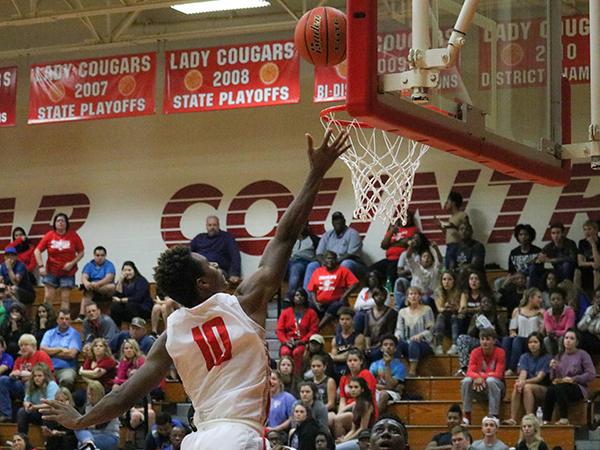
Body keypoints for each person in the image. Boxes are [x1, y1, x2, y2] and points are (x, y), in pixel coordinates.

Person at [38, 129, 350, 450]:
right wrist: (316, 173)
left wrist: (79, 420)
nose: (217, 266)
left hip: (198, 440)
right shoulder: (244, 303)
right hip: (238, 435)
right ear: (202, 284)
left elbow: (125, 393)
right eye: (210, 265)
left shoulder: (170, 333)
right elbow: (284, 238)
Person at [542, 328, 596, 425]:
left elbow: (591, 374)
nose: (568, 340)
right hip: (562, 386)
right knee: (550, 389)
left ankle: (564, 418)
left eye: (572, 338)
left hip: (578, 387)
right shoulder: (559, 355)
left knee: (560, 387)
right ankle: (546, 420)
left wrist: (574, 379)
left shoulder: (583, 354)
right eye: (566, 338)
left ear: (577, 342)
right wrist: (553, 369)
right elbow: (553, 378)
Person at [34, 213, 85, 311]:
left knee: (65, 298)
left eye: (63, 221)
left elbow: (81, 252)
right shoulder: (49, 235)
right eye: (58, 220)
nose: (60, 223)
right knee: (48, 297)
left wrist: (72, 263)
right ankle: (47, 322)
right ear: (54, 223)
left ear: (66, 223)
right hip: (51, 271)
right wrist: (41, 266)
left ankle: (64, 322)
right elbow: (37, 251)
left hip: (68, 272)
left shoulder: (73, 235)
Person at [304, 211, 365, 288]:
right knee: (312, 265)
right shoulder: (327, 235)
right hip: (330, 263)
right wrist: (324, 262)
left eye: (339, 219)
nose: (337, 222)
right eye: (335, 220)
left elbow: (351, 254)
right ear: (332, 222)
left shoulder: (353, 233)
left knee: (346, 264)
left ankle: (338, 294)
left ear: (344, 221)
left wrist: (333, 263)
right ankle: (307, 296)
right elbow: (319, 253)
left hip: (353, 264)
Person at [0, 334, 53, 422]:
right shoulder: (19, 359)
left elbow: (48, 375)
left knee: (29, 383)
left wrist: (29, 375)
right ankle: (6, 415)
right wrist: (13, 375)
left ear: (33, 346)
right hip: (22, 387)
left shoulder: (41, 355)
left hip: (39, 388)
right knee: (3, 380)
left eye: (26, 345)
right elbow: (14, 374)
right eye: (21, 345)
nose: (23, 348)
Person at [504, 331, 551, 426]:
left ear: (541, 344)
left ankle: (529, 418)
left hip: (543, 388)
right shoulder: (524, 357)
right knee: (518, 386)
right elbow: (523, 373)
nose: (532, 345)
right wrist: (520, 382)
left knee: (527, 387)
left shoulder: (547, 357)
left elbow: (539, 378)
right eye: (530, 342)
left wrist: (524, 382)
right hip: (528, 384)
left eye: (535, 342)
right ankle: (513, 419)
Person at [461, 328, 505, 424]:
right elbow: (469, 372)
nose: (485, 342)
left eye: (488, 339)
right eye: (482, 339)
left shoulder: (500, 352)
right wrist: (477, 377)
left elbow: (499, 374)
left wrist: (481, 377)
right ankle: (467, 416)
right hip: (479, 387)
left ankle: (493, 415)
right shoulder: (475, 352)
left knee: (491, 380)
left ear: (494, 341)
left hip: (497, 388)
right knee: (466, 381)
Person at [454, 296, 507, 377]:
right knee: (462, 338)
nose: (486, 304)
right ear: (480, 305)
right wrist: (476, 325)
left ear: (492, 305)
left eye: (488, 302)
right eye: (483, 302)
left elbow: (503, 333)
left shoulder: (498, 316)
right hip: (479, 340)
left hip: (494, 342)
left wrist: (496, 323)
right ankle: (464, 368)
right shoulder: (476, 316)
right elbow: (470, 333)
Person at [307, 250, 360, 329]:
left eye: (333, 259)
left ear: (336, 260)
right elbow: (312, 289)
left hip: (335, 302)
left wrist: (344, 296)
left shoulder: (342, 270)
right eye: (328, 258)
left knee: (336, 305)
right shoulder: (318, 271)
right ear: (324, 260)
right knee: (309, 306)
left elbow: (356, 283)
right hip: (320, 303)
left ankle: (318, 328)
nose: (330, 261)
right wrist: (316, 303)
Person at [331, 349, 377, 434]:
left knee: (338, 419)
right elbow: (342, 399)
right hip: (348, 409)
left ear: (361, 362)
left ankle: (340, 444)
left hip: (361, 409)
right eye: (350, 361)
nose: (352, 363)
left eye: (355, 360)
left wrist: (343, 411)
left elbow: (365, 398)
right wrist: (340, 411)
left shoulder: (366, 374)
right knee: (330, 418)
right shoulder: (344, 378)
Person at [501, 288, 544, 376]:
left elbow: (542, 332)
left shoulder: (541, 312)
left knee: (517, 340)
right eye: (538, 297)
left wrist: (543, 317)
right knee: (506, 339)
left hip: (533, 340)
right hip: (520, 338)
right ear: (531, 298)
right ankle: (503, 368)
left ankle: (512, 369)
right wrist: (513, 333)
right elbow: (512, 329)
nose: (541, 300)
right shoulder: (517, 310)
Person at [276, 288, 319, 374]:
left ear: (305, 298)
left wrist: (302, 341)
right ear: (293, 297)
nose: (299, 297)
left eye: (301, 295)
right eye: (297, 295)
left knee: (297, 352)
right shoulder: (285, 312)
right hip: (288, 341)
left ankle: (297, 375)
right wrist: (285, 341)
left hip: (302, 342)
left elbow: (313, 330)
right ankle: (285, 375)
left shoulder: (311, 313)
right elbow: (279, 330)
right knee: (285, 351)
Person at [190, 215, 242, 284]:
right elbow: (188, 253)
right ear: (206, 226)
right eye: (210, 225)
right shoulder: (199, 238)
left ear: (218, 225)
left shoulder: (227, 237)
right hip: (200, 270)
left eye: (214, 225)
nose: (212, 227)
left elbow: (235, 256)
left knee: (213, 275)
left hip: (219, 271)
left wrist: (235, 274)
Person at [395, 286, 435, 376]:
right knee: (396, 344)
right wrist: (397, 336)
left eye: (415, 294)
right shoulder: (402, 312)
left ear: (420, 296)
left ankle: (412, 371)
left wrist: (420, 335)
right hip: (406, 341)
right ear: (407, 297)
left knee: (413, 343)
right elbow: (398, 329)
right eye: (411, 294)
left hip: (423, 343)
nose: (413, 296)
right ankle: (398, 371)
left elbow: (431, 329)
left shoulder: (427, 309)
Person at [39, 308, 81, 390]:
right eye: (61, 318)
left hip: (66, 368)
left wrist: (51, 352)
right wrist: (60, 349)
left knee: (67, 379)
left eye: (67, 319)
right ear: (57, 320)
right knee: (38, 379)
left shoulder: (75, 334)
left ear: (70, 321)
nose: (64, 321)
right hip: (48, 368)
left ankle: (60, 400)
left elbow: (71, 354)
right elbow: (42, 350)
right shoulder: (49, 333)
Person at [371, 212, 417, 285]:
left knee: (391, 271)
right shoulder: (392, 230)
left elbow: (406, 242)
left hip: (401, 259)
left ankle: (390, 291)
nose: (405, 219)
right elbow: (383, 246)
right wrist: (391, 231)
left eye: (407, 217)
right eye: (403, 217)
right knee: (371, 270)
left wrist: (391, 244)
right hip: (389, 259)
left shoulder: (413, 229)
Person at [76, 381, 120, 450]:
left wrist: (84, 424)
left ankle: (88, 443)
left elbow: (100, 425)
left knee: (82, 443)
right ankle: (89, 443)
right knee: (77, 429)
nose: (89, 397)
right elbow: (80, 420)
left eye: (92, 395)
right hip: (92, 434)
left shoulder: (108, 406)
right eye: (88, 394)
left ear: (99, 394)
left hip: (109, 435)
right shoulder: (87, 405)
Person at [369, 334, 406, 415]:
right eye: (385, 345)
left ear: (395, 349)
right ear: (381, 348)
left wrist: (387, 365)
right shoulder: (374, 364)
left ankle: (374, 418)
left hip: (393, 393)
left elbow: (390, 386)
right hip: (377, 390)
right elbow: (370, 384)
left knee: (384, 394)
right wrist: (382, 387)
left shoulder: (400, 366)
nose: (388, 347)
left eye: (391, 345)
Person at [77, 246, 116, 321]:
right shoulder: (89, 265)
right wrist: (86, 283)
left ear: (105, 256)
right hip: (92, 288)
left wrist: (97, 284)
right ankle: (81, 316)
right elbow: (84, 277)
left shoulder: (109, 265)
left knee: (111, 286)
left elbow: (109, 278)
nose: (100, 257)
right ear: (94, 256)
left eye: (102, 255)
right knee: (87, 292)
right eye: (97, 255)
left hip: (105, 288)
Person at [17, 362, 58, 433]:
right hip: (37, 413)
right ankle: (22, 437)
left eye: (40, 376)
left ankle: (48, 441)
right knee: (22, 412)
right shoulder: (30, 384)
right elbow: (26, 400)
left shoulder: (52, 385)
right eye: (35, 376)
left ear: (46, 376)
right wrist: (27, 405)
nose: (36, 378)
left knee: (46, 411)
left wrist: (34, 407)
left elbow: (50, 404)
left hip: (52, 414)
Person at [110, 261, 153, 328]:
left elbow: (137, 298)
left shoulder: (141, 281)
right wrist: (120, 281)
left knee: (130, 306)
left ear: (134, 271)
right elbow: (117, 296)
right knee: (115, 306)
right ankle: (116, 329)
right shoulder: (122, 281)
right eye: (124, 270)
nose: (127, 272)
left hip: (142, 307)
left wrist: (120, 300)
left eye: (129, 270)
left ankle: (133, 330)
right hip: (127, 308)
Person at [286, 223, 320, 302]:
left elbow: (319, 254)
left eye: (302, 226)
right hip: (291, 261)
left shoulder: (314, 239)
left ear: (307, 227)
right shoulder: (292, 240)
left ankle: (290, 296)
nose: (300, 228)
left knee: (296, 268)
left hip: (304, 261)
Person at [335, 377, 375, 443]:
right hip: (356, 437)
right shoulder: (355, 404)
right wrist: (343, 439)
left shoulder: (366, 404)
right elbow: (353, 429)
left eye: (356, 387)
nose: (353, 390)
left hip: (365, 439)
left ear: (362, 389)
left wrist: (346, 441)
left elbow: (363, 428)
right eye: (350, 387)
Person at [364, 287, 398, 363]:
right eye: (376, 295)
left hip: (384, 344)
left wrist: (379, 345)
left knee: (375, 353)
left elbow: (390, 332)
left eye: (381, 295)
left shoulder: (391, 313)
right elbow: (367, 332)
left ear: (385, 297)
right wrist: (367, 346)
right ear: (373, 297)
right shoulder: (368, 313)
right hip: (371, 343)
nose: (379, 297)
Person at [330, 306, 365, 377]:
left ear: (353, 320)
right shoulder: (335, 339)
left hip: (353, 371)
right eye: (342, 319)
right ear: (339, 321)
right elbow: (333, 358)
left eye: (347, 319)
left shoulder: (359, 337)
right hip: (338, 370)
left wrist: (336, 357)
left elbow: (354, 356)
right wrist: (339, 357)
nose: (344, 322)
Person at [433, 270, 461, 355]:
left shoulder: (459, 292)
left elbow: (460, 308)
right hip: (444, 318)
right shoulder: (438, 292)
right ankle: (439, 346)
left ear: (454, 281)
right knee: (440, 316)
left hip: (456, 318)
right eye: (444, 279)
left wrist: (453, 307)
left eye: (449, 279)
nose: (446, 282)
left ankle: (455, 345)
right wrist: (446, 306)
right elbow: (439, 309)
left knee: (453, 316)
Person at [543, 287, 575, 355]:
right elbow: (549, 332)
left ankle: (563, 359)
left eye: (558, 299)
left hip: (566, 337)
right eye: (553, 299)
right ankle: (551, 360)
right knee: (546, 340)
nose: (555, 301)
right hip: (552, 339)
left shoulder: (570, 311)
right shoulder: (547, 313)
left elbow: (568, 331)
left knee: (562, 339)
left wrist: (555, 332)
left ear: (564, 300)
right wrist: (556, 333)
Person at [577, 219, 600, 295]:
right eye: (585, 229)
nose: (587, 232)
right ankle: (577, 297)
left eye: (589, 229)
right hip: (588, 266)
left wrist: (593, 244)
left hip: (597, 268)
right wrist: (590, 263)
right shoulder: (582, 242)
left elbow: (597, 263)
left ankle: (596, 296)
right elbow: (580, 262)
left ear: (596, 230)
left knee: (596, 270)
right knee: (577, 271)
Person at [577, 286, 600, 352]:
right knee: (581, 336)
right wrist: (591, 316)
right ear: (594, 299)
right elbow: (580, 327)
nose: (599, 300)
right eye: (597, 297)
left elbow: (598, 330)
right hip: (591, 338)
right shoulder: (590, 309)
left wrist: (591, 328)